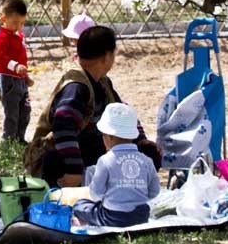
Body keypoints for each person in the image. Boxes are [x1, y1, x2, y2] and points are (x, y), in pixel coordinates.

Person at [24, 26, 161, 186]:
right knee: (57, 161)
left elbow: (120, 111)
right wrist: (74, 172)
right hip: (63, 156)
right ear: (107, 56)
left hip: (90, 148)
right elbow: (63, 127)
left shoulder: (101, 81)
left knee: (148, 154)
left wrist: (140, 139)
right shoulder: (76, 87)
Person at [72, 103, 161, 227]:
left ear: (109, 137)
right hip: (141, 216)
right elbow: (154, 191)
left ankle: (81, 223)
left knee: (80, 205)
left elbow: (95, 194)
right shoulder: (146, 161)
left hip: (112, 217)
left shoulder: (105, 161)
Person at [0, 0, 33, 143]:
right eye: (15, 22)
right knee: (11, 113)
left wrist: (25, 76)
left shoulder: (18, 36)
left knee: (25, 110)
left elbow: (21, 59)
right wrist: (15, 66)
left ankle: (20, 139)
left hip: (20, 81)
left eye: (22, 23)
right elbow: (0, 57)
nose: (19, 26)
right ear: (4, 18)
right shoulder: (1, 38)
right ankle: (8, 142)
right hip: (7, 80)